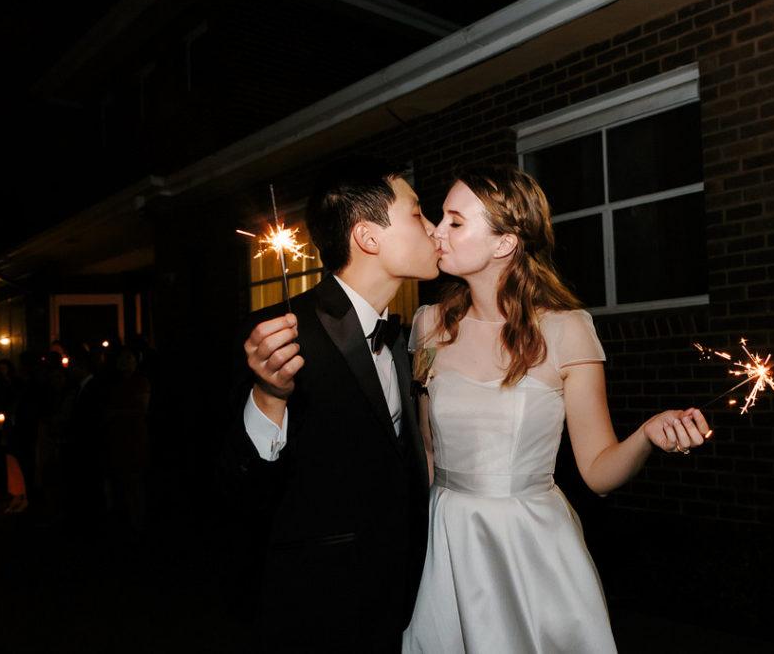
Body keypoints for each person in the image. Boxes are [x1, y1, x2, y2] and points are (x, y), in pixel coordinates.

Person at [401, 166, 711, 653]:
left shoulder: (568, 331)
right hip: (446, 541)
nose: (436, 231)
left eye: (455, 222)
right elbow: (427, 448)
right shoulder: (427, 326)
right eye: (440, 218)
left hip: (530, 548)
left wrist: (648, 434)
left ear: (505, 243)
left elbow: (598, 472)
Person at [223, 157, 441, 651]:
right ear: (368, 237)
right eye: (417, 213)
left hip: (404, 600)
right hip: (319, 608)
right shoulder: (279, 336)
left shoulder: (407, 337)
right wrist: (269, 396)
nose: (432, 229)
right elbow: (241, 489)